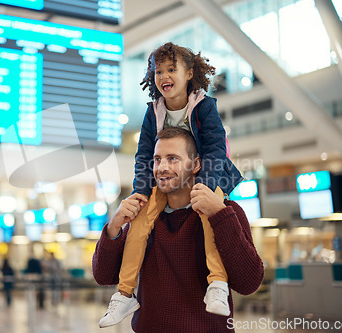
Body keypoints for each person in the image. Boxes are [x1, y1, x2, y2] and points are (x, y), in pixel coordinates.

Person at [98, 42, 244, 327]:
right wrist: (140, 192)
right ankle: (125, 293)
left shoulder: (204, 105)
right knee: (138, 222)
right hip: (165, 186)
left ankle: (217, 284)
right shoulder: (153, 112)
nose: (163, 75)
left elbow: (215, 148)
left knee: (207, 216)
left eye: (171, 69)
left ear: (190, 73)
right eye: (157, 71)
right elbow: (143, 155)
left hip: (208, 176)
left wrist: (205, 186)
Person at [93, 127, 263, 332]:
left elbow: (249, 283)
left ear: (196, 164)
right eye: (157, 159)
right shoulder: (143, 217)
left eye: (173, 158)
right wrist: (114, 227)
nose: (162, 167)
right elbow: (103, 276)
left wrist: (219, 214)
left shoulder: (227, 212)